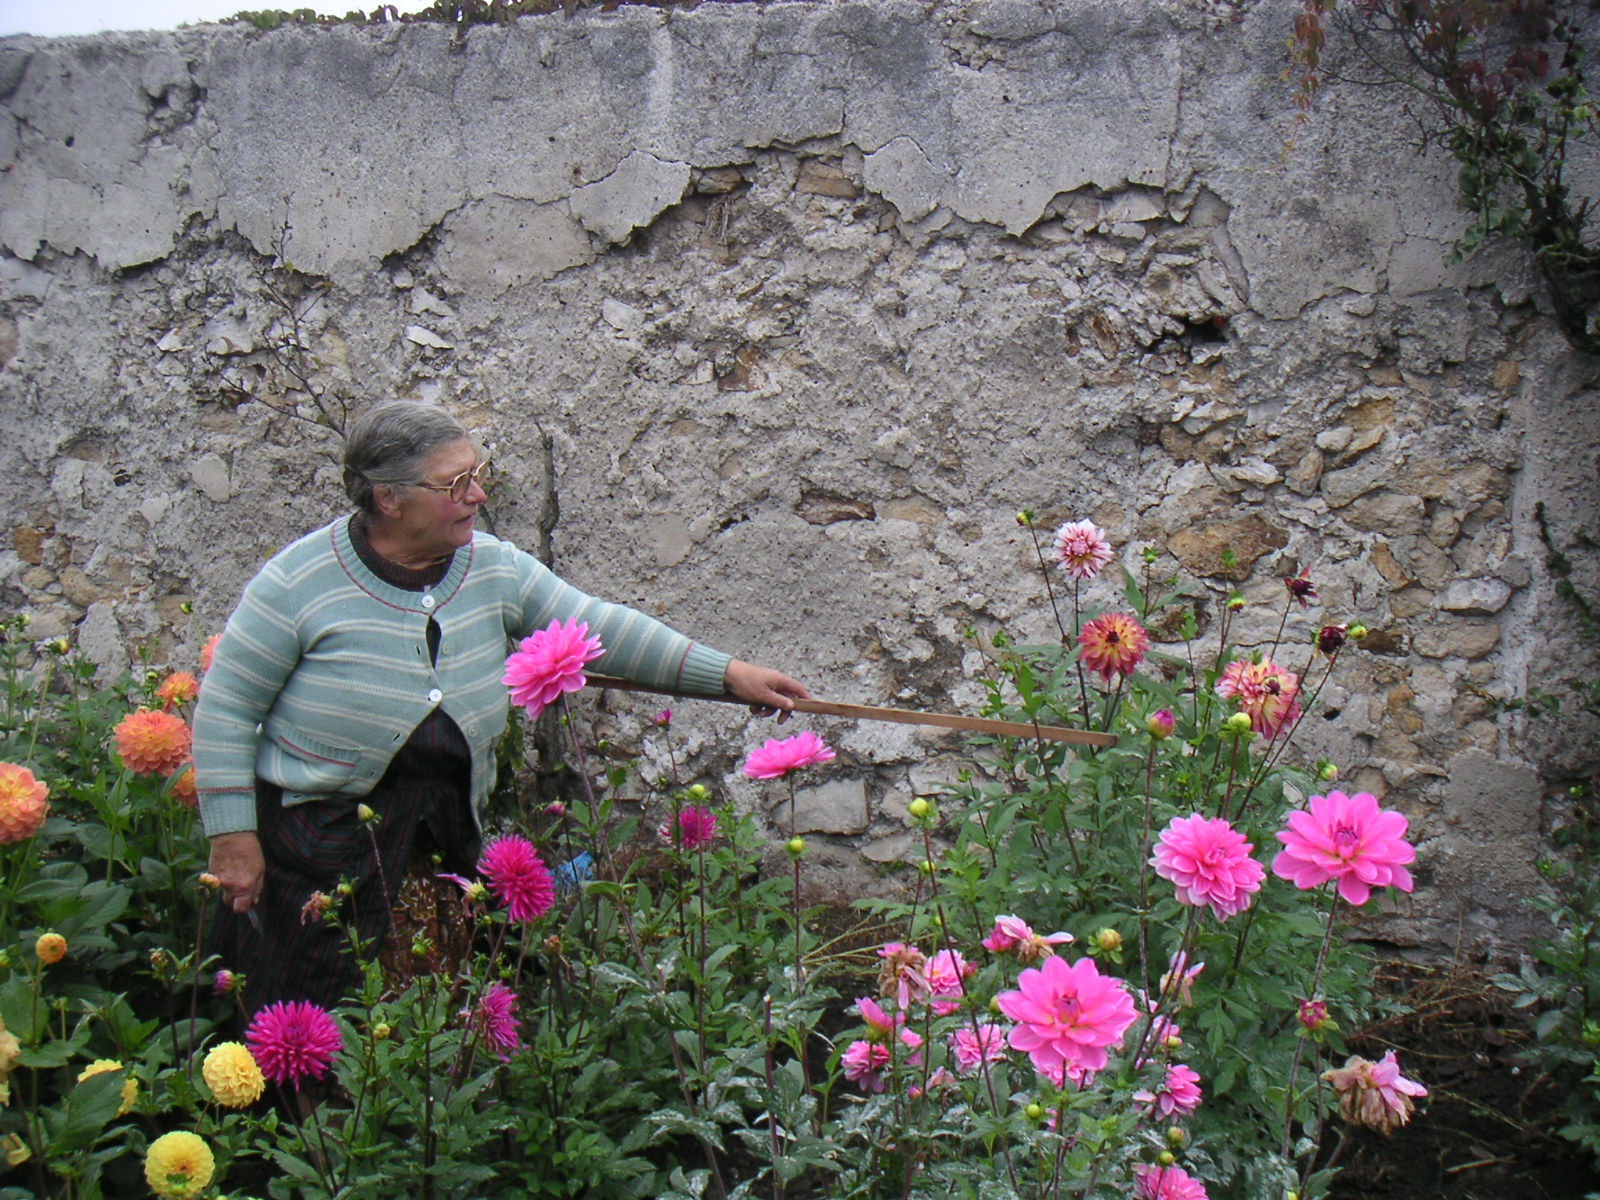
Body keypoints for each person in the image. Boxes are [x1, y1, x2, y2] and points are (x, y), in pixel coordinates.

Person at [193, 401, 808, 1013]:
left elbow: (597, 627)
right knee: (313, 1020)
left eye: (477, 472)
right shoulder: (297, 581)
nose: (478, 494)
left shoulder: (492, 566)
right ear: (389, 498)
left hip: (445, 842)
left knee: (439, 1024)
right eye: (456, 482)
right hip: (317, 850)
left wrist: (728, 675)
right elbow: (226, 708)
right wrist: (232, 836)